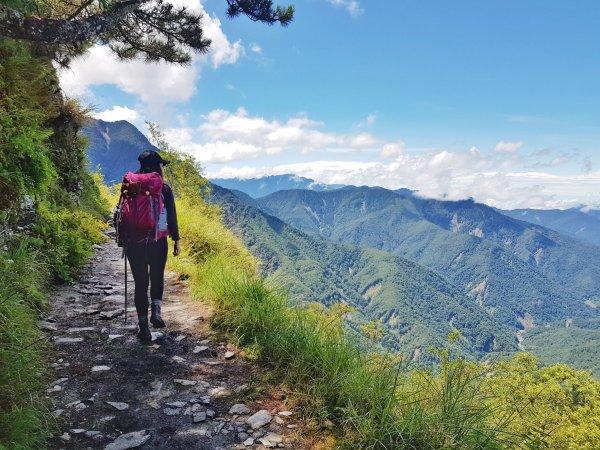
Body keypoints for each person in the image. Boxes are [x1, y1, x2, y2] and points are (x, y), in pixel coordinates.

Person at [126, 150, 180, 344]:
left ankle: (143, 329)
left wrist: (124, 239)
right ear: (158, 167)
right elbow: (171, 216)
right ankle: (156, 312)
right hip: (158, 241)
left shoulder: (130, 186)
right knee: (157, 276)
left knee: (141, 283)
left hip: (135, 243)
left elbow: (122, 214)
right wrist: (176, 240)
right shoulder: (163, 188)